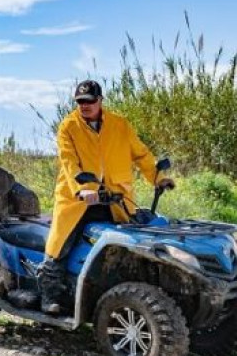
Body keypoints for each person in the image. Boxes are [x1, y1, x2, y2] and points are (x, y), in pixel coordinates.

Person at [40, 80, 175, 314]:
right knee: (62, 243)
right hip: (79, 199)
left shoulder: (120, 125)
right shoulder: (68, 126)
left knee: (133, 241)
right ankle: (50, 294)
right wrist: (82, 189)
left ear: (100, 100)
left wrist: (158, 178)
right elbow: (68, 161)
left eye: (89, 101)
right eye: (80, 102)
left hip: (115, 200)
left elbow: (141, 155)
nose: (85, 106)